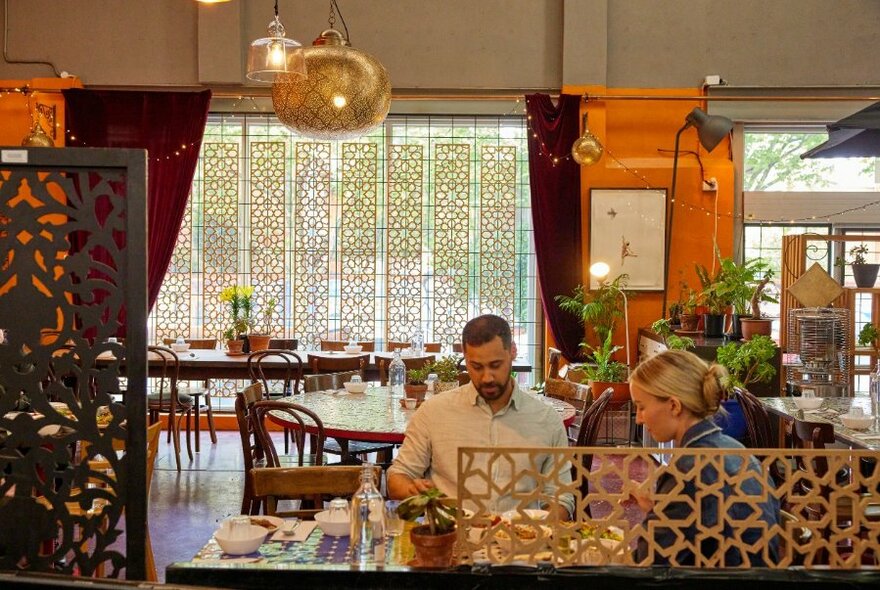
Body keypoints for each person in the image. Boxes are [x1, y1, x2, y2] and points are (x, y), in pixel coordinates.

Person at [387, 314, 574, 519]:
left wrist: (543, 528)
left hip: (519, 541)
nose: (487, 377)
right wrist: (412, 490)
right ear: (466, 359)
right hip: (451, 539)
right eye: (476, 367)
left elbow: (561, 498)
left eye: (495, 365)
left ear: (512, 351)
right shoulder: (433, 413)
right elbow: (398, 476)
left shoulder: (546, 420)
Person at [627, 349, 779, 566]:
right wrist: (658, 509)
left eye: (641, 407)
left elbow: (649, 563)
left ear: (674, 405)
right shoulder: (740, 453)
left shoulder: (689, 472)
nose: (639, 419)